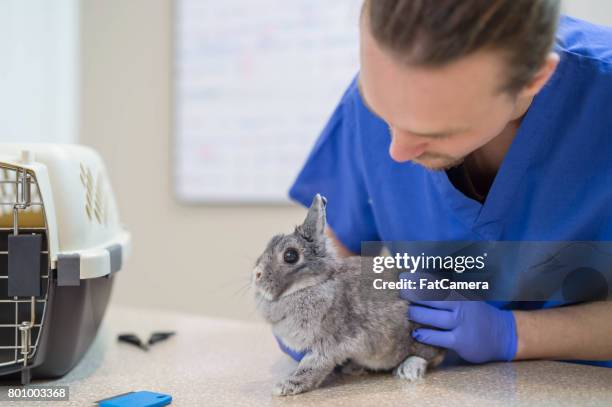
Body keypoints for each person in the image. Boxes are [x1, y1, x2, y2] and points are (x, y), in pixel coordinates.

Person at [284, 0, 612, 367]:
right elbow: (339, 252)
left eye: (434, 132)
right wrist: (317, 305)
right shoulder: (384, 90)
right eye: (382, 113)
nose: (397, 151)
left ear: (534, 78)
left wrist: (516, 333)